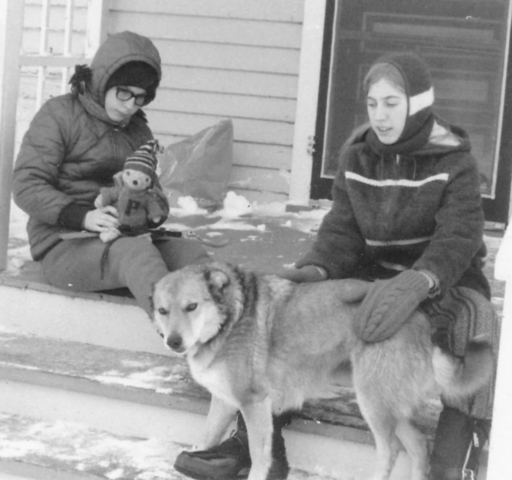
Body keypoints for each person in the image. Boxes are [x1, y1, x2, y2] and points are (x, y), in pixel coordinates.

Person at [176, 52, 499, 480]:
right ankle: (255, 445)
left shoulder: (454, 163)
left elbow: (457, 240)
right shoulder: (358, 157)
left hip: (444, 280)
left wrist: (421, 280)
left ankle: (454, 458)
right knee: (280, 315)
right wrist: (312, 272)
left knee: (472, 324)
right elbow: (341, 233)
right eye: (372, 103)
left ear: (418, 105)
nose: (380, 116)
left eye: (392, 103)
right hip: (373, 276)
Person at [12, 31, 210, 316]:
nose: (130, 105)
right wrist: (82, 216)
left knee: (191, 257)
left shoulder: (139, 131)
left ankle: (232, 330)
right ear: (103, 82)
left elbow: (148, 190)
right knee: (137, 256)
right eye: (123, 92)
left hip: (124, 236)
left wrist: (150, 209)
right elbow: (26, 184)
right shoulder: (59, 115)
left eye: (140, 98)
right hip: (64, 242)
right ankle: (177, 331)